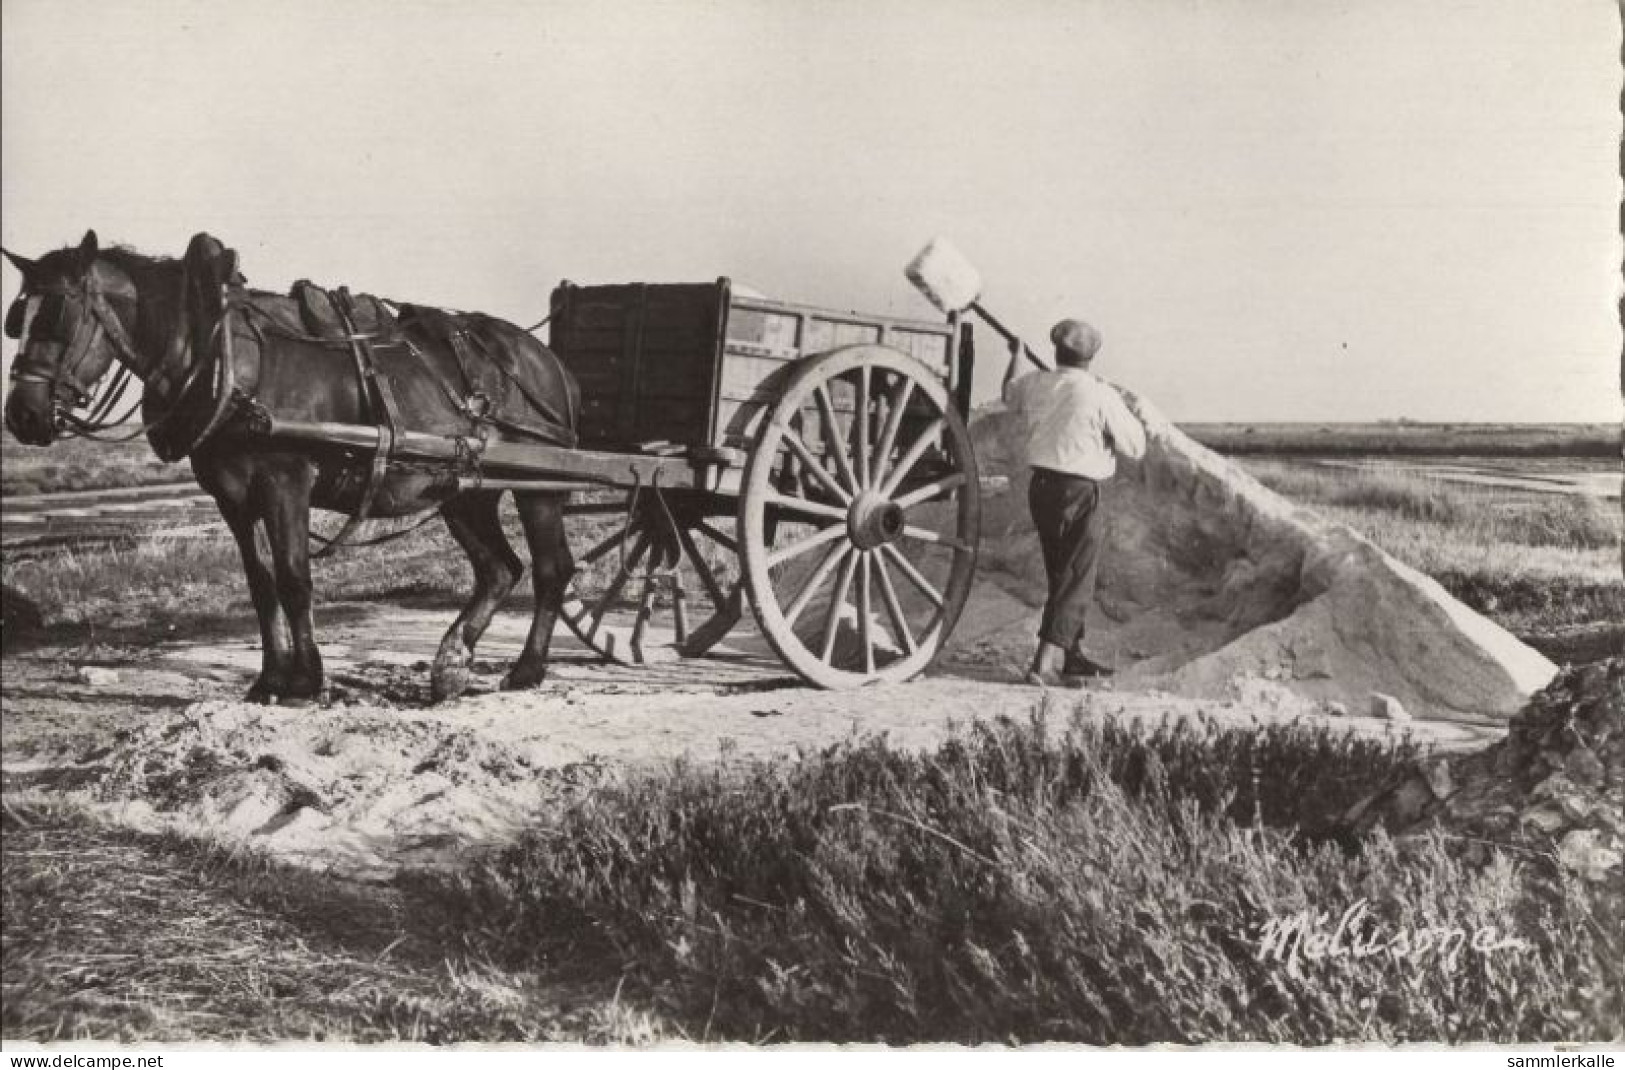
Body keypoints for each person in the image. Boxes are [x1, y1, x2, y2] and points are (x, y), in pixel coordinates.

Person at [1002, 318, 1147, 687]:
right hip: (1081, 491)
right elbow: (1136, 446)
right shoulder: (1100, 393)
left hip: (1042, 488)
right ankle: (1043, 663)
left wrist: (1016, 356)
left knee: (1060, 574)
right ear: (1092, 356)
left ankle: (1072, 657)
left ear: (1056, 350)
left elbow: (1008, 393)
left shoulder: (1035, 384)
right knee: (1076, 577)